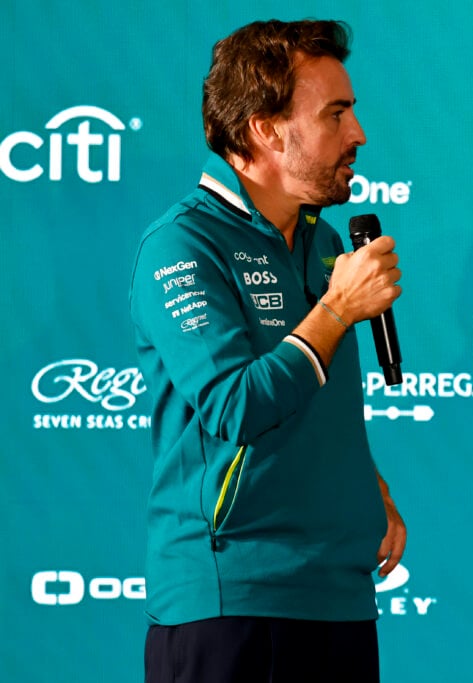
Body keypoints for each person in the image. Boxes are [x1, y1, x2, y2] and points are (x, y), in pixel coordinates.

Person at [129, 20, 405, 682]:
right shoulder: (183, 245)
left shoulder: (325, 241)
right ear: (265, 129)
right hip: (232, 601)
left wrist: (365, 486)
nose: (358, 134)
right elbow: (235, 405)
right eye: (335, 114)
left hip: (339, 594)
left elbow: (317, 402)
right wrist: (336, 310)